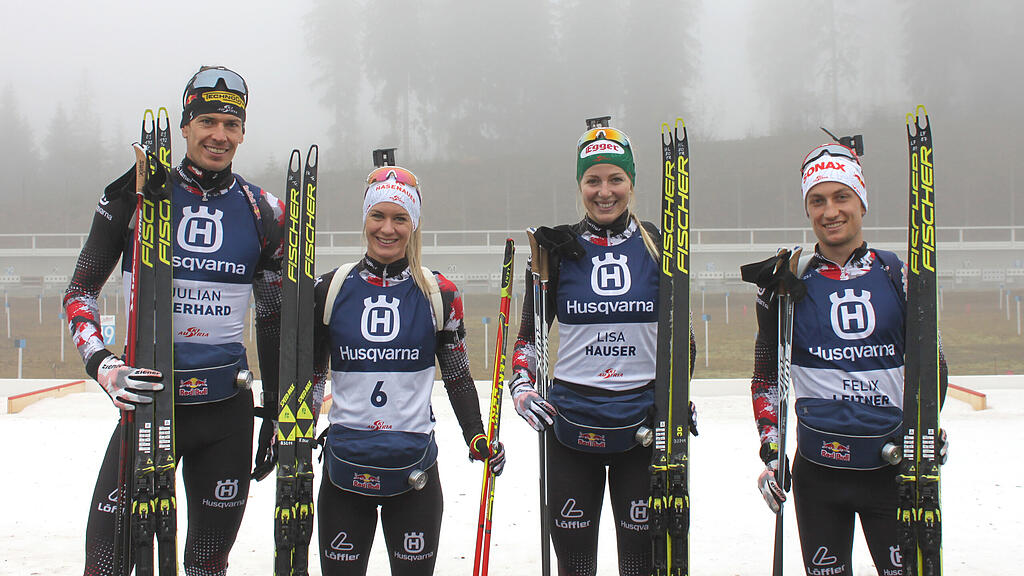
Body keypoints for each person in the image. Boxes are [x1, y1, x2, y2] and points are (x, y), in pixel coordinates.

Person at [63, 66, 286, 576]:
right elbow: (79, 292)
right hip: (148, 409)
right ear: (185, 126)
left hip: (226, 412)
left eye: (231, 125)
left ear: (244, 133)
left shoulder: (264, 211)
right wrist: (104, 365)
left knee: (208, 566)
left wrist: (275, 410)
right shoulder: (135, 194)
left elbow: (271, 316)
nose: (219, 135)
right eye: (207, 121)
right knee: (107, 563)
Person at [746, 142, 948, 575]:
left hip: (892, 471)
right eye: (817, 200)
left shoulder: (899, 275)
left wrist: (928, 430)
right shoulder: (785, 281)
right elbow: (767, 377)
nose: (830, 211)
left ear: (862, 202)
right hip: (819, 475)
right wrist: (772, 451)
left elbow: (935, 365)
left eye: (842, 197)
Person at [509, 125, 696, 576]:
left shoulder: (658, 244)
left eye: (616, 179)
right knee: (575, 565)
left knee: (640, 564)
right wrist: (522, 385)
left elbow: (682, 338)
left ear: (631, 183)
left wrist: (677, 394)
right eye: (593, 180)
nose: (605, 191)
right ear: (580, 186)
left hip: (641, 430)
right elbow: (529, 337)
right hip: (571, 426)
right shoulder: (558, 248)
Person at [312, 158, 505, 576]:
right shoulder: (331, 288)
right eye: (378, 215)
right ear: (365, 218)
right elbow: (314, 375)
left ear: (414, 223)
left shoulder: (439, 293)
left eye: (400, 218)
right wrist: (293, 431)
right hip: (346, 465)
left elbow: (455, 376)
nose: (387, 228)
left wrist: (476, 436)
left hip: (413, 469)